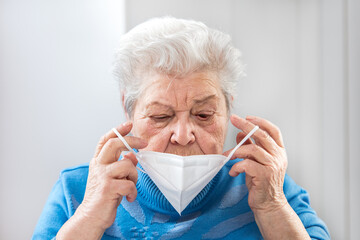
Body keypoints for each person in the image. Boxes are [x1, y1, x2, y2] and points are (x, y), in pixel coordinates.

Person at [33, 17, 330, 240]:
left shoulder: (268, 188)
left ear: (229, 111)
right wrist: (88, 218)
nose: (184, 135)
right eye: (161, 116)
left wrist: (272, 209)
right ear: (129, 110)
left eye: (203, 114)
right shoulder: (76, 192)